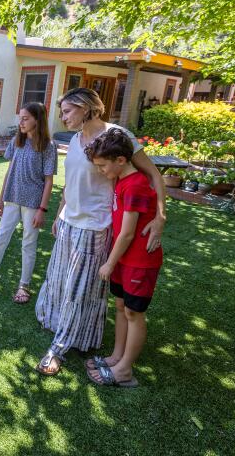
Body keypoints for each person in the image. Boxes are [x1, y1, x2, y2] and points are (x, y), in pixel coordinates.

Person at [35, 87, 166, 376]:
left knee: (80, 291)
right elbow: (72, 182)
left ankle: (59, 347)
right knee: (60, 284)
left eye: (67, 110)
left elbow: (153, 175)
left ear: (86, 108)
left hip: (95, 226)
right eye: (62, 111)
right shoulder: (74, 138)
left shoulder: (117, 135)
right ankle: (77, 335)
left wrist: (160, 217)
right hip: (70, 222)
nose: (62, 116)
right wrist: (59, 214)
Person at [83, 128, 163, 387]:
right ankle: (117, 356)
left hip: (139, 261)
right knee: (120, 307)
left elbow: (128, 234)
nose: (100, 171)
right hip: (123, 260)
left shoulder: (136, 185)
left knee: (133, 313)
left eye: (102, 166)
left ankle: (125, 369)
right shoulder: (122, 181)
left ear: (120, 160)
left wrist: (109, 262)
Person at [0, 102, 57, 303]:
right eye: (20, 118)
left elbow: (49, 180)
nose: (21, 123)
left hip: (33, 203)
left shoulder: (47, 146)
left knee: (28, 243)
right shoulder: (17, 141)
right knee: (1, 238)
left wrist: (42, 210)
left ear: (38, 119)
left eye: (26, 119)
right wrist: (0, 200)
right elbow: (9, 171)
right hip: (12, 199)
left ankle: (24, 287)